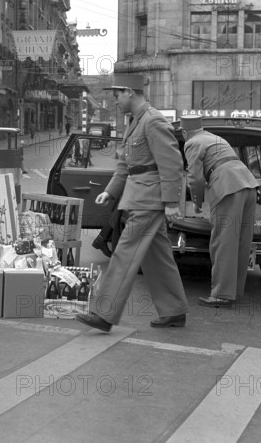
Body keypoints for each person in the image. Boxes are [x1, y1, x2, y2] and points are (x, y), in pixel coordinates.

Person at [76, 74, 189, 332]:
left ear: (129, 91)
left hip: (150, 200)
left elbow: (172, 165)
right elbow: (126, 166)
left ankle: (104, 314)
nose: (114, 100)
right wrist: (111, 192)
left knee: (124, 254)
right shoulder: (134, 123)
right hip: (139, 197)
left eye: (116, 95)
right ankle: (174, 311)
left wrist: (171, 202)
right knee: (157, 257)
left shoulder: (153, 121)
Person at [181, 114, 259, 308]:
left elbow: (195, 178)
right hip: (248, 184)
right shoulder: (215, 137)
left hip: (227, 185)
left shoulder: (191, 142)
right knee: (241, 241)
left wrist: (198, 202)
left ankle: (222, 295)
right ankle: (235, 291)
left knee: (223, 242)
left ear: (184, 132)